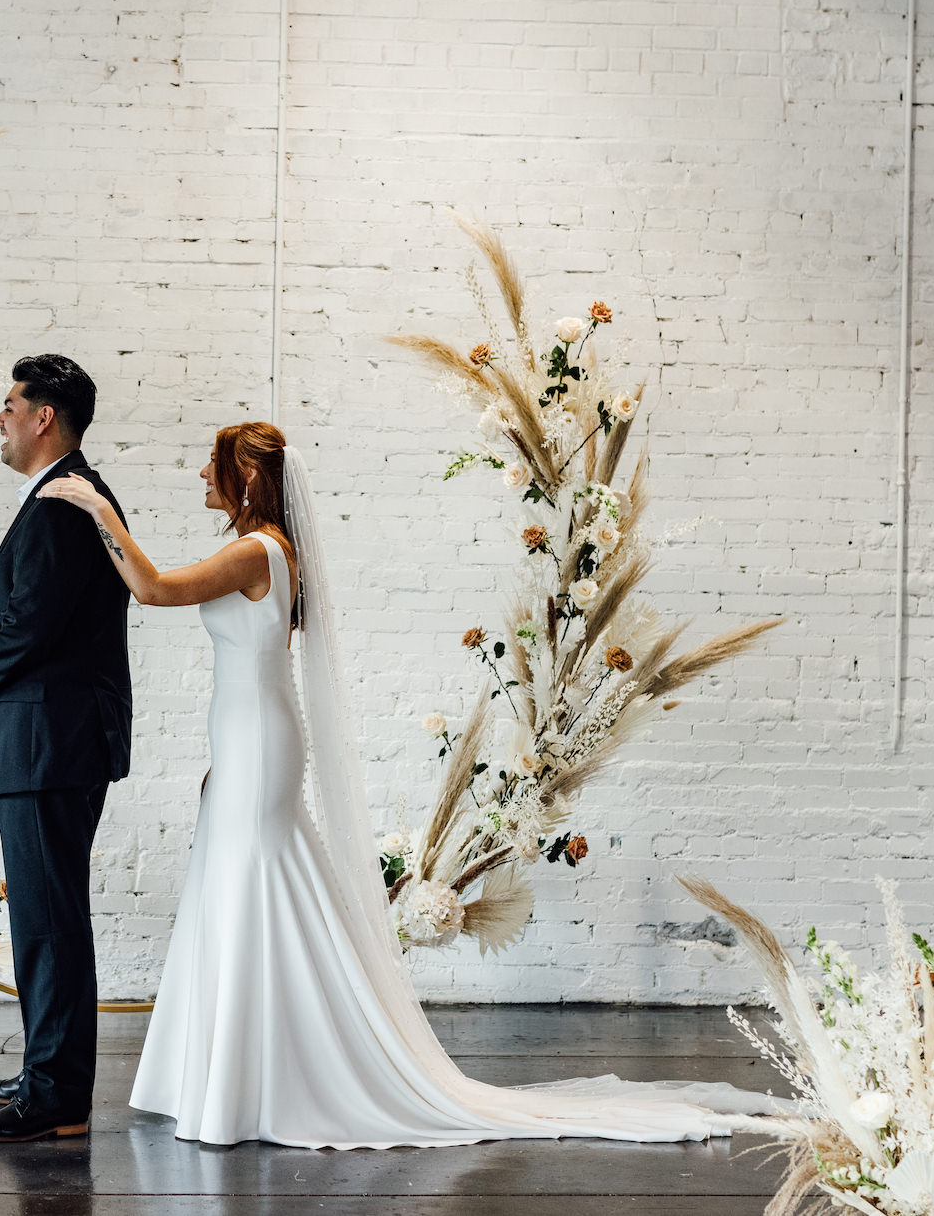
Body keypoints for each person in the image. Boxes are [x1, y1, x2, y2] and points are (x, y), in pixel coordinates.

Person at [38, 421, 774, 1148]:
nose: (202, 476)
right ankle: (244, 1074)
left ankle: (261, 1078)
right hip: (247, 743)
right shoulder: (267, 550)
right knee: (241, 891)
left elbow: (156, 589)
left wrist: (101, 511)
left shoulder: (257, 549)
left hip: (258, 742)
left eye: (212, 465)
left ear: (251, 477)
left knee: (250, 889)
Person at [0, 354, 131, 1143]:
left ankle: (57, 1095)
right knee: (42, 917)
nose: (0, 417)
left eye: (8, 404)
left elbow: (34, 622)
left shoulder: (61, 503)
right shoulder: (62, 496)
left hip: (49, 742)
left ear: (43, 417)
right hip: (44, 739)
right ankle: (47, 1070)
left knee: (50, 920)